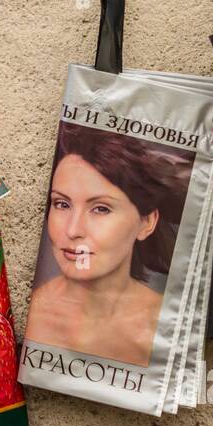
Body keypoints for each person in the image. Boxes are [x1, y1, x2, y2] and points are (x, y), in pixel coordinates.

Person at [26, 122, 185, 367]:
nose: (73, 230)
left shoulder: (168, 329)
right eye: (62, 204)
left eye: (101, 208)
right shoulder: (32, 316)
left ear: (146, 222)